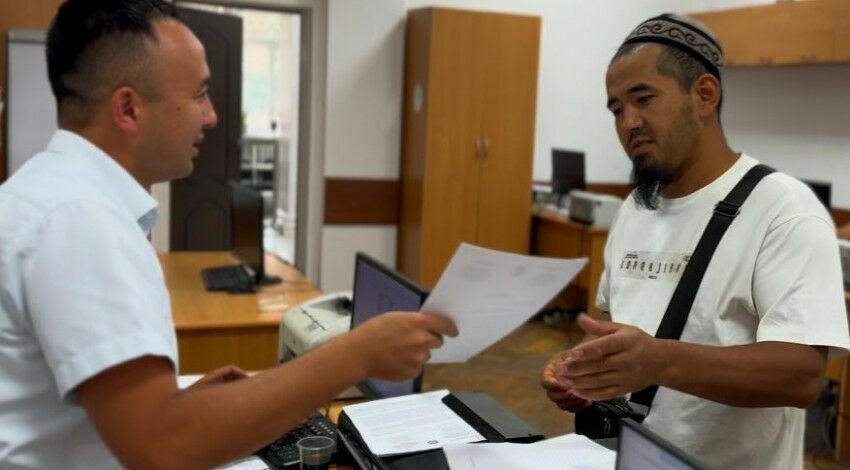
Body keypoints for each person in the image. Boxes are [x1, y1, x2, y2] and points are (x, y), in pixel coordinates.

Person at [0, 1, 457, 468]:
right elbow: (163, 447)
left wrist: (187, 406)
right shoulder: (81, 222)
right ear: (129, 109)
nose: (212, 116)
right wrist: (355, 354)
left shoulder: (51, 195)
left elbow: (110, 422)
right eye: (200, 94)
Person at [540, 13, 849, 469]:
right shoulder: (636, 208)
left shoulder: (783, 210)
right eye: (617, 109)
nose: (628, 122)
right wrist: (585, 369)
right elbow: (615, 321)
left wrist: (658, 361)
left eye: (643, 99)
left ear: (704, 95)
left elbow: (801, 377)